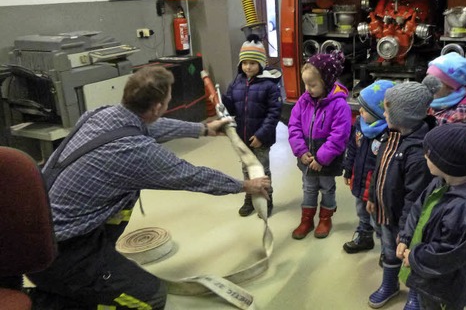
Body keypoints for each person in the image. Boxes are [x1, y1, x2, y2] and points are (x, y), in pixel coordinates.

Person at [27, 65, 271, 310]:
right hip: (58, 255)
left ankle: (97, 268)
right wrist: (245, 185)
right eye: (166, 101)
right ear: (157, 107)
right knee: (151, 298)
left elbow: (150, 126)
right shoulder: (136, 153)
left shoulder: (100, 113)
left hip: (37, 230)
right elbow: (192, 176)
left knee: (127, 196)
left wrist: (204, 128)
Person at [397, 123, 466, 310]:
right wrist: (406, 237)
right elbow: (418, 209)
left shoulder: (463, 209)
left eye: (429, 154)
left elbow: (447, 252)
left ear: (445, 162)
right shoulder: (439, 182)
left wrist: (416, 258)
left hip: (445, 286)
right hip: (426, 272)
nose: (425, 156)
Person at [366, 81, 435, 309]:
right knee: (388, 252)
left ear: (403, 115)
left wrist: (406, 232)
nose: (383, 113)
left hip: (406, 222)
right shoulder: (390, 135)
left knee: (410, 255)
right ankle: (390, 284)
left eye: (387, 109)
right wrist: (372, 197)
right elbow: (380, 169)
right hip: (386, 212)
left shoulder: (417, 151)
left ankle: (415, 292)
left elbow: (414, 197)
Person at [288, 50, 351, 240]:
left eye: (313, 85)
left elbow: (339, 135)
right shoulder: (303, 101)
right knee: (308, 188)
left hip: (327, 159)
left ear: (327, 81)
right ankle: (307, 220)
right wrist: (300, 151)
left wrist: (322, 158)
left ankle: (325, 218)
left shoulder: (339, 105)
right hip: (307, 157)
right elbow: (294, 126)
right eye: (305, 84)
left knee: (327, 188)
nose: (307, 89)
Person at [222, 34, 282, 217]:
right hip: (243, 138)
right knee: (246, 169)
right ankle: (249, 198)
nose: (248, 67)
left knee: (262, 170)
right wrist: (221, 100)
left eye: (253, 63)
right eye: (245, 62)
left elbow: (274, 114)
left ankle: (267, 199)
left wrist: (261, 136)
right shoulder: (237, 82)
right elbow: (231, 105)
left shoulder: (270, 86)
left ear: (261, 64)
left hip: (261, 139)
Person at [342, 79, 395, 254]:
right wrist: (348, 169)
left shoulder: (389, 133)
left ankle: (386, 249)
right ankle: (364, 236)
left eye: (365, 109)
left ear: (379, 112)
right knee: (361, 211)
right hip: (359, 179)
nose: (360, 111)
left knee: (378, 218)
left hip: (377, 186)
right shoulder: (359, 124)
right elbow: (352, 147)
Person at [424, 52, 466, 125]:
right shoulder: (435, 101)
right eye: (428, 77)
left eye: (436, 82)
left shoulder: (459, 114)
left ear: (451, 87)